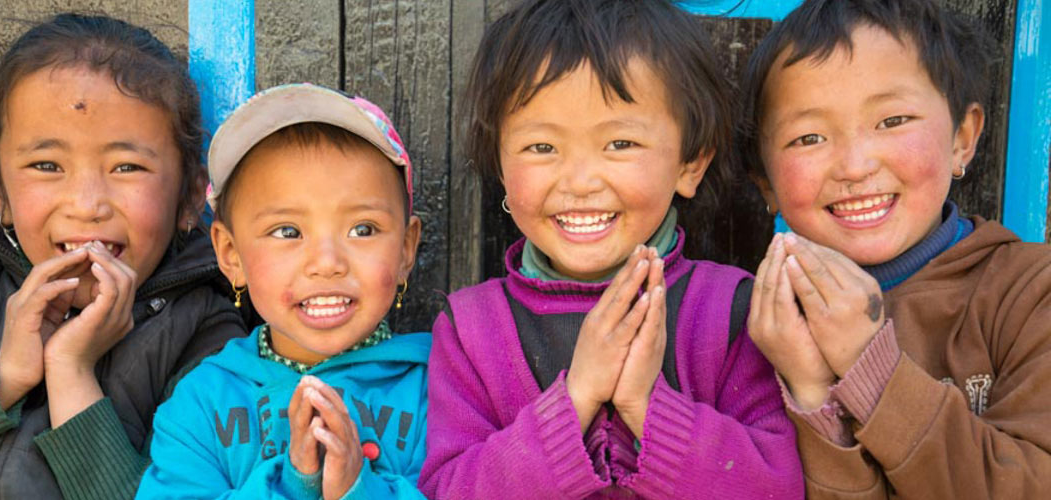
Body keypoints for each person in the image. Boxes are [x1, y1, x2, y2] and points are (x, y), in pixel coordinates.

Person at [0, 13, 247, 499]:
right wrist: (0, 379)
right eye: (46, 165)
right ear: (1, 193)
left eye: (127, 166)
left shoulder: (210, 340)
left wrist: (72, 373)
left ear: (188, 197)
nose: (86, 204)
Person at [417, 1, 803, 498]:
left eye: (620, 143)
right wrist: (576, 398)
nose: (579, 181)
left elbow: (777, 485)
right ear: (501, 167)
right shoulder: (471, 330)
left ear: (690, 163)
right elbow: (449, 490)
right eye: (541, 147)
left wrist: (645, 405)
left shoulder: (734, 313)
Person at [741, 0, 1051, 497]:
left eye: (893, 120)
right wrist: (813, 394)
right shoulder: (765, 327)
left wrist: (871, 368)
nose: (855, 166)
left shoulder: (1031, 295)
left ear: (963, 138)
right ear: (766, 184)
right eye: (810, 137)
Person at [137, 83, 428, 499]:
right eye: (287, 231)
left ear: (404, 249)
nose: (327, 262)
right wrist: (293, 485)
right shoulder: (200, 404)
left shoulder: (437, 390)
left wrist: (359, 488)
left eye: (362, 229)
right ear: (231, 254)